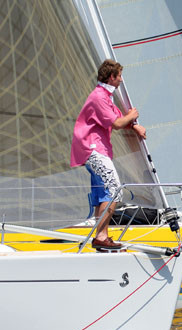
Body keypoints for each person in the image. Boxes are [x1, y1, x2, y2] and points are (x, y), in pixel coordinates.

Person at [70, 59, 146, 250]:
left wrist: (134, 125)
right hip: (93, 149)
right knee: (114, 190)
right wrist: (133, 114)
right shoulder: (99, 97)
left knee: (102, 194)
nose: (121, 80)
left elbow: (119, 119)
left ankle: (101, 236)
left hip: (96, 150)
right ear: (112, 77)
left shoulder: (105, 96)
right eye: (119, 76)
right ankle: (101, 236)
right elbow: (118, 124)